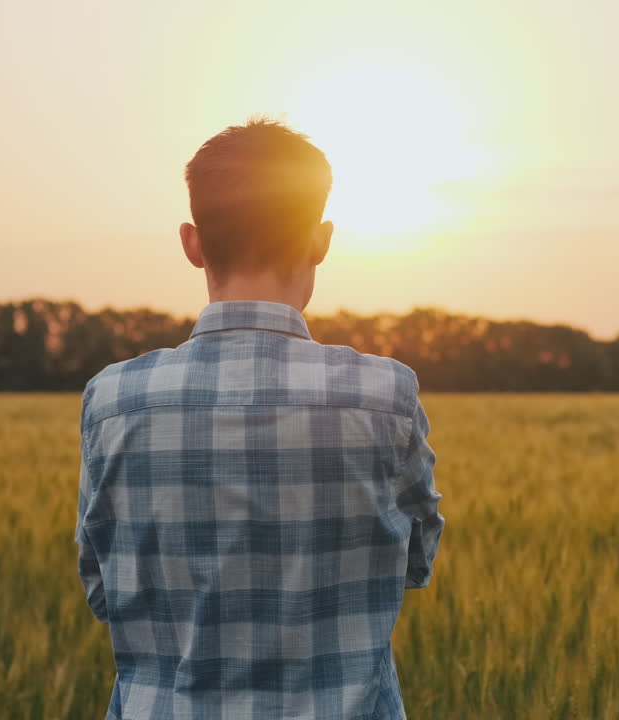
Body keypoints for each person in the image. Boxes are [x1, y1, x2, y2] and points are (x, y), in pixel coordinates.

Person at [74, 118, 443, 719]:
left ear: (192, 243)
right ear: (321, 240)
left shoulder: (114, 400)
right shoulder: (383, 394)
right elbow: (414, 562)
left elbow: (102, 588)